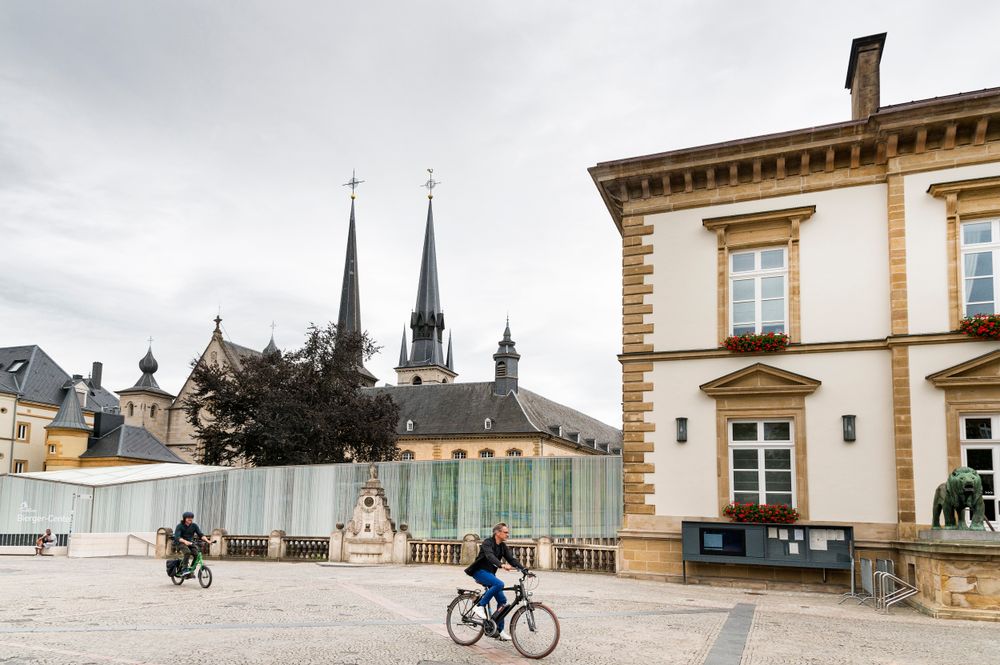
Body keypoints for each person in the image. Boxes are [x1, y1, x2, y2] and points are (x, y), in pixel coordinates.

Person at [463, 522, 524, 642]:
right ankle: (479, 606)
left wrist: (524, 569)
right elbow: (490, 556)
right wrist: (501, 565)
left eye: (507, 532)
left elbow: (511, 559)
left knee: (503, 602)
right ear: (497, 533)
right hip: (479, 572)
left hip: (490, 574)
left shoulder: (502, 546)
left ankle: (499, 631)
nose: (508, 534)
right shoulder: (487, 543)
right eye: (505, 532)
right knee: (499, 584)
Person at [173, 511, 207, 575]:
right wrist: (185, 541)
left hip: (190, 543)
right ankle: (184, 569)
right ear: (184, 519)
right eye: (188, 518)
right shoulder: (180, 526)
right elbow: (177, 537)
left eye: (191, 517)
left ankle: (191, 570)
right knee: (187, 552)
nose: (190, 519)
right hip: (180, 543)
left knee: (197, 555)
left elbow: (200, 534)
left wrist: (207, 540)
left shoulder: (194, 526)